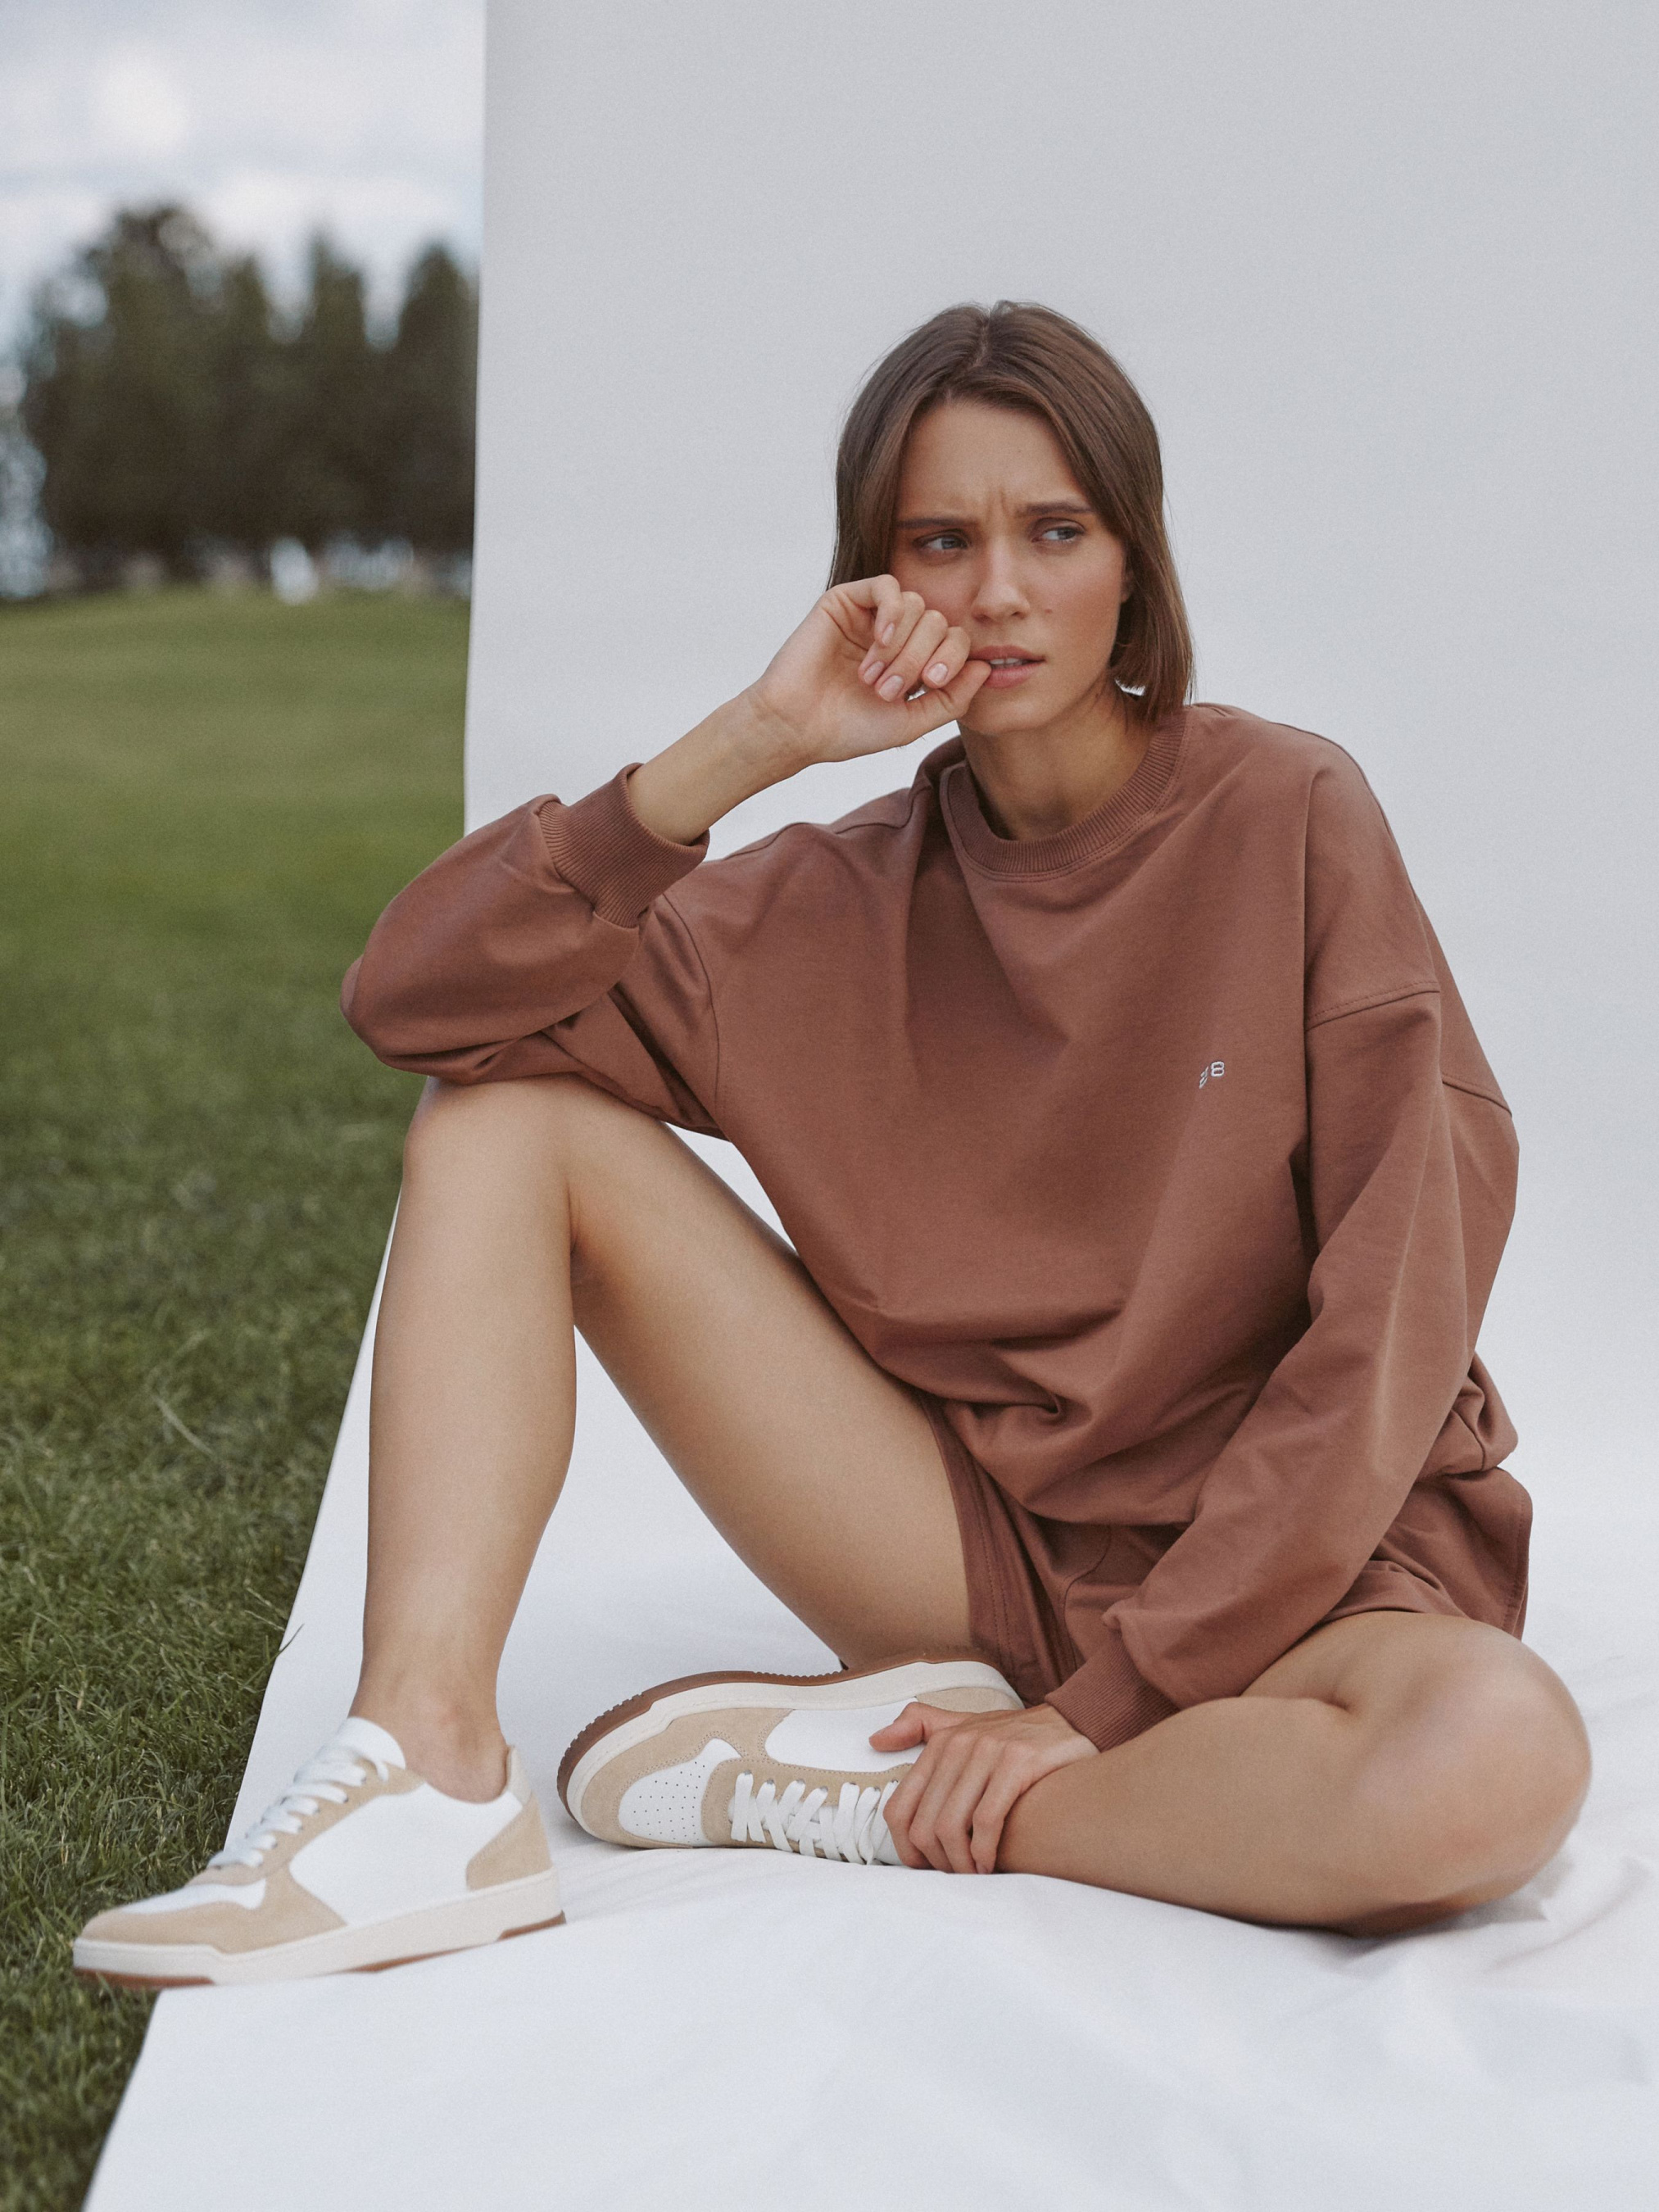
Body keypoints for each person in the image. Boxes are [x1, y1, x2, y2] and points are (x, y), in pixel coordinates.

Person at [76, 301, 1592, 1989]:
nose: (998, 591)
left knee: (1491, 1764)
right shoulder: (820, 907)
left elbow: (1392, 1310)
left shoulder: (1286, 815)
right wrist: (753, 741)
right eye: (939, 541)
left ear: (1131, 562)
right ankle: (426, 1774)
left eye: (1054, 531)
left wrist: (1105, 1707)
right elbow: (416, 1004)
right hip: (978, 1561)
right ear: (872, 579)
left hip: (1306, 1571)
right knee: (503, 1119)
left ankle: (882, 1799)